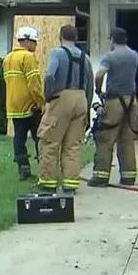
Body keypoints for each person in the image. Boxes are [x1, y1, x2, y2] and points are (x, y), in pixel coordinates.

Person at [36, 24, 94, 194]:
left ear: (60, 37)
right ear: (76, 38)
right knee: (73, 145)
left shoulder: (57, 53)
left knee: (50, 141)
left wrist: (48, 97)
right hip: (81, 99)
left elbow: (49, 75)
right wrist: (88, 108)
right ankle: (70, 183)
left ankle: (47, 181)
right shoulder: (86, 57)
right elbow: (90, 84)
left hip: (61, 98)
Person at [88, 27, 138, 187]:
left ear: (112, 40)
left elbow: (99, 74)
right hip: (131, 101)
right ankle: (128, 176)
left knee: (106, 138)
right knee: (126, 139)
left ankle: (100, 176)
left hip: (114, 101)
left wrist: (98, 90)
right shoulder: (134, 55)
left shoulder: (110, 57)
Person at [2, 25, 45, 180]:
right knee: (39, 137)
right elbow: (34, 83)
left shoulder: (8, 59)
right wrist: (41, 102)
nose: (36, 45)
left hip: (14, 106)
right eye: (34, 41)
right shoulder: (28, 57)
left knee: (19, 138)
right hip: (30, 105)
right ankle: (45, 168)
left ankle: (23, 168)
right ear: (27, 41)